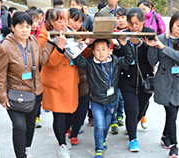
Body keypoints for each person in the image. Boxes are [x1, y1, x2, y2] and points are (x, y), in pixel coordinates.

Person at [0, 11, 55, 158]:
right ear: (13, 27)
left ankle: (26, 149)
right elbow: (0, 75)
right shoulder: (5, 48)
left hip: (34, 92)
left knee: (29, 126)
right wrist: (2, 96)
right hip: (15, 94)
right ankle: (21, 155)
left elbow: (41, 60)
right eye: (21, 26)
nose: (25, 30)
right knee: (20, 126)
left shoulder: (33, 41)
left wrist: (51, 43)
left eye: (28, 26)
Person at [144, 10, 179, 158]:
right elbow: (152, 61)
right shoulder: (161, 38)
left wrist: (163, 47)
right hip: (164, 82)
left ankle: (165, 136)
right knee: (171, 113)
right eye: (177, 25)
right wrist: (152, 46)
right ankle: (174, 146)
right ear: (171, 24)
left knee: (172, 114)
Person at [74, 38, 133, 158]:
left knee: (106, 126)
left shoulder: (115, 61)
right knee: (99, 125)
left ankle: (103, 139)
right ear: (93, 52)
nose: (101, 52)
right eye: (97, 50)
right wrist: (85, 44)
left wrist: (123, 44)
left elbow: (129, 58)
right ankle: (99, 148)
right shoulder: (90, 63)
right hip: (96, 102)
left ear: (109, 50)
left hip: (111, 102)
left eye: (104, 49)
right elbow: (77, 58)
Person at [113, 7, 155, 152]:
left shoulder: (149, 33)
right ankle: (133, 138)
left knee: (139, 111)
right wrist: (120, 45)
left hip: (146, 81)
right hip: (127, 81)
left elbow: (152, 58)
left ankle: (131, 126)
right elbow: (118, 58)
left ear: (143, 21)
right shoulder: (123, 34)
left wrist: (140, 44)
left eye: (137, 23)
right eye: (131, 24)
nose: (134, 27)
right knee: (131, 110)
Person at [38, 7, 78, 158]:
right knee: (59, 116)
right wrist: (60, 46)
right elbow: (49, 62)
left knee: (71, 115)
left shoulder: (73, 33)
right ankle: (62, 144)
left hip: (71, 82)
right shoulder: (44, 37)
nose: (63, 24)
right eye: (59, 20)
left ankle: (63, 135)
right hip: (55, 83)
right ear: (51, 22)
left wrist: (88, 43)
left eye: (65, 20)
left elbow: (82, 54)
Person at [137, 0, 166, 129]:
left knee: (147, 85)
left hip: (153, 48)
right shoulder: (136, 20)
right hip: (140, 49)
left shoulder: (156, 17)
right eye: (140, 9)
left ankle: (143, 114)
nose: (142, 12)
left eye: (144, 9)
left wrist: (156, 44)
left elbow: (163, 31)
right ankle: (137, 116)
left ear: (150, 8)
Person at [66, 7, 92, 146]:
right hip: (67, 76)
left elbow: (86, 55)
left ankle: (75, 132)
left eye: (80, 21)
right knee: (70, 106)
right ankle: (68, 128)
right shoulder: (63, 34)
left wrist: (88, 44)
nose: (77, 24)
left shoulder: (84, 34)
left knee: (82, 106)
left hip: (82, 76)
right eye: (74, 20)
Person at [109, 7, 128, 134]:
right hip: (115, 68)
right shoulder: (112, 32)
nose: (121, 20)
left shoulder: (131, 32)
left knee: (123, 96)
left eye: (123, 17)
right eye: (118, 17)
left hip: (127, 68)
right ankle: (113, 120)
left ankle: (121, 115)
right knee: (115, 95)